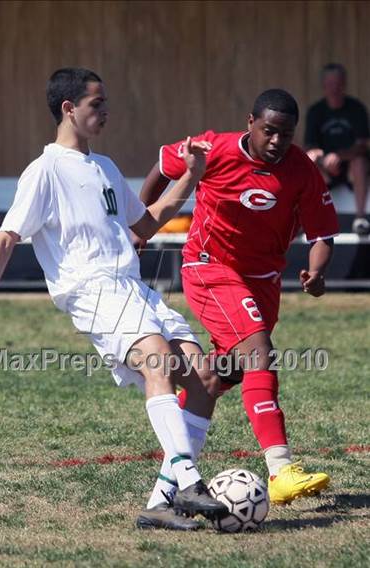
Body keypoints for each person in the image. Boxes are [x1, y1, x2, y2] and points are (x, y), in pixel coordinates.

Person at [0, 67, 229, 531]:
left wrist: (192, 176)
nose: (105, 111)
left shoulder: (103, 166)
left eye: (104, 103)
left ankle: (162, 503)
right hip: (92, 289)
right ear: (68, 109)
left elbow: (146, 223)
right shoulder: (44, 171)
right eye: (95, 104)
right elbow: (6, 237)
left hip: (133, 286)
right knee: (158, 362)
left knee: (204, 379)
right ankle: (188, 479)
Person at [140, 88, 339, 505]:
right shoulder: (215, 148)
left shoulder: (301, 169)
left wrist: (317, 272)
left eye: (285, 134)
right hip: (209, 267)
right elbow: (162, 164)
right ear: (250, 122)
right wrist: (140, 226)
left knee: (214, 379)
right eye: (269, 131)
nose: (276, 141)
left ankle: (166, 492)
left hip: (263, 281)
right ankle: (281, 469)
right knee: (259, 353)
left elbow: (322, 233)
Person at [305, 63, 370, 235]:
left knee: (360, 162)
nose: (334, 88)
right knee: (309, 159)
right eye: (330, 84)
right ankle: (306, 219)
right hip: (325, 170)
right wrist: (322, 158)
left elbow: (362, 145)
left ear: (344, 84)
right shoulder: (316, 111)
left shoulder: (356, 108)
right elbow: (310, 145)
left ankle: (361, 218)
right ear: (324, 86)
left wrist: (339, 156)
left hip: (351, 170)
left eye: (337, 83)